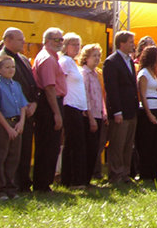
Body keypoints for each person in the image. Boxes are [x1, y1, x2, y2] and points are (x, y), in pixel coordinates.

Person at [0, 27, 38, 193]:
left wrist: (34, 103)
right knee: (3, 154)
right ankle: (0, 185)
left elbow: (29, 85)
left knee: (20, 153)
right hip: (5, 119)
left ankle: (19, 184)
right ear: (7, 40)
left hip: (22, 115)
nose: (23, 42)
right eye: (19, 39)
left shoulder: (22, 59)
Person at [31, 27, 67, 193]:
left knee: (51, 145)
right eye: (56, 39)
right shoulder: (47, 59)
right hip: (49, 104)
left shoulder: (52, 57)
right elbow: (49, 88)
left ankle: (45, 182)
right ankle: (42, 184)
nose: (60, 42)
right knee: (48, 145)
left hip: (52, 102)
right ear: (46, 41)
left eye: (61, 39)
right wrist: (56, 113)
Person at [103, 30, 139, 184]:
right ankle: (115, 174)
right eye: (130, 42)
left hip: (131, 110)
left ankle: (125, 173)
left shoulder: (130, 61)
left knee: (128, 143)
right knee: (117, 143)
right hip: (120, 111)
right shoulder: (111, 62)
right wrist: (117, 111)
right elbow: (112, 89)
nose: (133, 45)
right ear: (121, 43)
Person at [0, 55, 28, 199]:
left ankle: (11, 187)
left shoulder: (16, 85)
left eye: (12, 67)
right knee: (1, 155)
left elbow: (23, 106)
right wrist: (8, 128)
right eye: (7, 67)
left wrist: (21, 122)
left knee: (14, 156)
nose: (11, 70)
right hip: (4, 124)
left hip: (17, 122)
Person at [58, 33, 89, 188]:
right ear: (65, 46)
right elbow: (60, 81)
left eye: (78, 45)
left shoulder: (73, 63)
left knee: (73, 143)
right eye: (74, 44)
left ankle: (70, 178)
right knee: (74, 143)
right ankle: (73, 179)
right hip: (69, 105)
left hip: (77, 107)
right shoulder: (65, 62)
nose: (77, 48)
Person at [135, 45, 157, 181]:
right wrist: (149, 114)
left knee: (155, 143)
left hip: (156, 108)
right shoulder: (143, 74)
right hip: (147, 110)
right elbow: (142, 95)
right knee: (146, 143)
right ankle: (145, 173)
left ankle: (153, 172)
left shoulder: (153, 73)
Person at [79, 43, 106, 185]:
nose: (97, 58)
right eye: (94, 56)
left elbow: (100, 96)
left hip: (98, 114)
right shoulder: (84, 74)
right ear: (86, 58)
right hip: (88, 116)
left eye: (98, 56)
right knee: (89, 147)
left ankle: (89, 178)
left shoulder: (96, 74)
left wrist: (104, 112)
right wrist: (90, 118)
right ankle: (84, 178)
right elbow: (86, 97)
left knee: (95, 148)